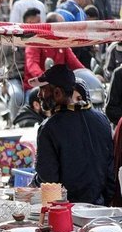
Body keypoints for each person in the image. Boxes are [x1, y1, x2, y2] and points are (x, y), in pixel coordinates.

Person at [34, 64, 116, 205]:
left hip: (67, 211)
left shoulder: (49, 128)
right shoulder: (102, 120)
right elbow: (110, 172)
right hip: (99, 208)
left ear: (57, 93)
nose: (39, 95)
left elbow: (48, 180)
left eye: (43, 89)